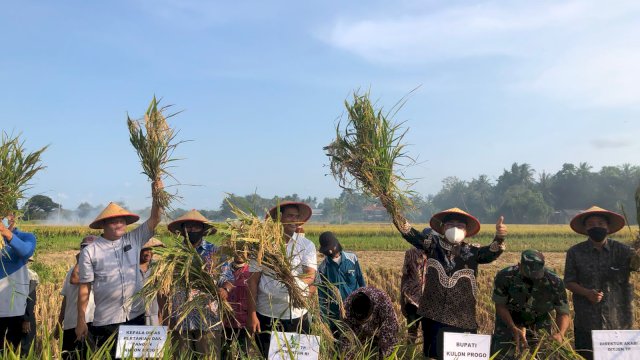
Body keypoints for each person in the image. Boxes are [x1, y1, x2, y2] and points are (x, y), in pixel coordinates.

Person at [394, 207, 508, 359]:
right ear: (442, 228)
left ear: (466, 231)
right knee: (432, 356)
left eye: (460, 226)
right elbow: (409, 233)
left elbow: (491, 253)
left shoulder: (473, 251)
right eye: (450, 225)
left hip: (463, 318)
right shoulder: (432, 244)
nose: (455, 229)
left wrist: (499, 237)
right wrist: (393, 209)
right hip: (433, 315)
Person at [76, 179, 163, 356]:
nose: (119, 224)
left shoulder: (133, 239)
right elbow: (85, 287)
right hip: (106, 321)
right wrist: (81, 319)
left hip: (136, 316)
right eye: (113, 221)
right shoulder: (91, 251)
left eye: (122, 220)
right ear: (103, 225)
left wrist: (157, 195)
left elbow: (155, 219)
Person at [564, 206, 640, 360]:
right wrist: (587, 293)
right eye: (591, 224)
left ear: (608, 227)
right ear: (585, 229)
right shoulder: (575, 252)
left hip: (618, 322)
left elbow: (637, 265)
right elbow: (569, 282)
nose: (596, 227)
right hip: (587, 322)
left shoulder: (624, 251)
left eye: (600, 223)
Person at [247, 201, 318, 358]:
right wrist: (251, 314)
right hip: (267, 313)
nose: (294, 220)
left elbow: (310, 276)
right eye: (290, 216)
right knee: (270, 357)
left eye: (297, 217)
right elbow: (252, 281)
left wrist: (289, 279)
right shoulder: (263, 247)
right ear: (279, 219)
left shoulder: (306, 245)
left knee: (299, 357)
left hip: (297, 314)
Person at [167, 210, 233, 357]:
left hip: (208, 316)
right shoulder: (174, 254)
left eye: (196, 227)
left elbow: (228, 278)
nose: (191, 230)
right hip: (179, 317)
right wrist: (165, 316)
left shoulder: (215, 252)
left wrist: (225, 290)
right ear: (182, 231)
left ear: (203, 230)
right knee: (181, 356)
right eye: (188, 227)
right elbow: (164, 286)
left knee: (209, 355)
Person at [491, 249, 570, 359]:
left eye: (536, 276)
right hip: (509, 322)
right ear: (519, 265)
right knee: (502, 356)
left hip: (539, 325)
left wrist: (560, 334)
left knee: (543, 356)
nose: (533, 279)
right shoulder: (505, 277)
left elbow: (563, 312)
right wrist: (513, 327)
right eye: (528, 276)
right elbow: (500, 306)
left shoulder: (554, 281)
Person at [316, 231, 366, 334]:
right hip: (335, 313)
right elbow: (322, 296)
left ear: (336, 244)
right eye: (327, 249)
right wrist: (324, 319)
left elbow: (361, 281)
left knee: (357, 337)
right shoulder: (323, 268)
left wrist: (365, 301)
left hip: (355, 308)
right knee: (338, 341)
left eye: (330, 248)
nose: (329, 251)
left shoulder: (352, 259)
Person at [1, 213, 37, 351]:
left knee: (13, 352)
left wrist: (5, 233)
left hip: (14, 311)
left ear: (12, 217)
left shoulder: (26, 237)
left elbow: (25, 251)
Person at [58, 235, 97, 359]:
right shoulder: (71, 270)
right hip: (70, 324)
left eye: (90, 249)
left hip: (89, 323)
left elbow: (75, 279)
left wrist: (80, 260)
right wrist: (59, 322)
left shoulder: (97, 270)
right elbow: (66, 298)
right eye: (84, 248)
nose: (86, 251)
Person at [340, 286, 399, 359]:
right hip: (356, 330)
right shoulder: (346, 309)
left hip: (377, 329)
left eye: (364, 320)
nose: (363, 324)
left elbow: (389, 336)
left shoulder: (383, 303)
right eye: (360, 321)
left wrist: (385, 356)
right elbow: (346, 341)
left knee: (386, 349)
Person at [221, 252, 251, 359]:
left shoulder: (252, 271)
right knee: (223, 352)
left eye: (244, 250)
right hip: (224, 320)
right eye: (237, 249)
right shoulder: (224, 268)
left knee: (242, 354)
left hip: (243, 322)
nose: (240, 253)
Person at [400, 247, 427, 343]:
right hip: (411, 299)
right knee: (412, 332)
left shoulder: (435, 254)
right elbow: (404, 275)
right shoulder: (410, 253)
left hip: (428, 301)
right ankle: (409, 355)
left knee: (428, 333)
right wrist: (402, 300)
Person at [139, 237, 164, 326]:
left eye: (151, 250)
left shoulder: (158, 268)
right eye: (145, 250)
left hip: (153, 312)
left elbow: (162, 292)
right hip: (134, 314)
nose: (148, 253)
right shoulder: (131, 269)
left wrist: (161, 315)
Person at [21, 258, 39, 354]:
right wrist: (26, 319)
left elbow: (30, 300)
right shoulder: (30, 275)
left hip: (22, 317)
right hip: (22, 317)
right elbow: (30, 299)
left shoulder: (30, 275)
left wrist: (26, 318)